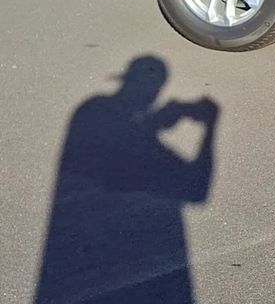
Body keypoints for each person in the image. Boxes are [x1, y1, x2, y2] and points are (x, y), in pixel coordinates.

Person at [34, 56, 219, 304]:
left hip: (87, 259)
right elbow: (197, 190)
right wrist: (210, 129)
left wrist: (155, 123)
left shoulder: (91, 110)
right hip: (129, 262)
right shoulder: (113, 126)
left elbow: (121, 136)